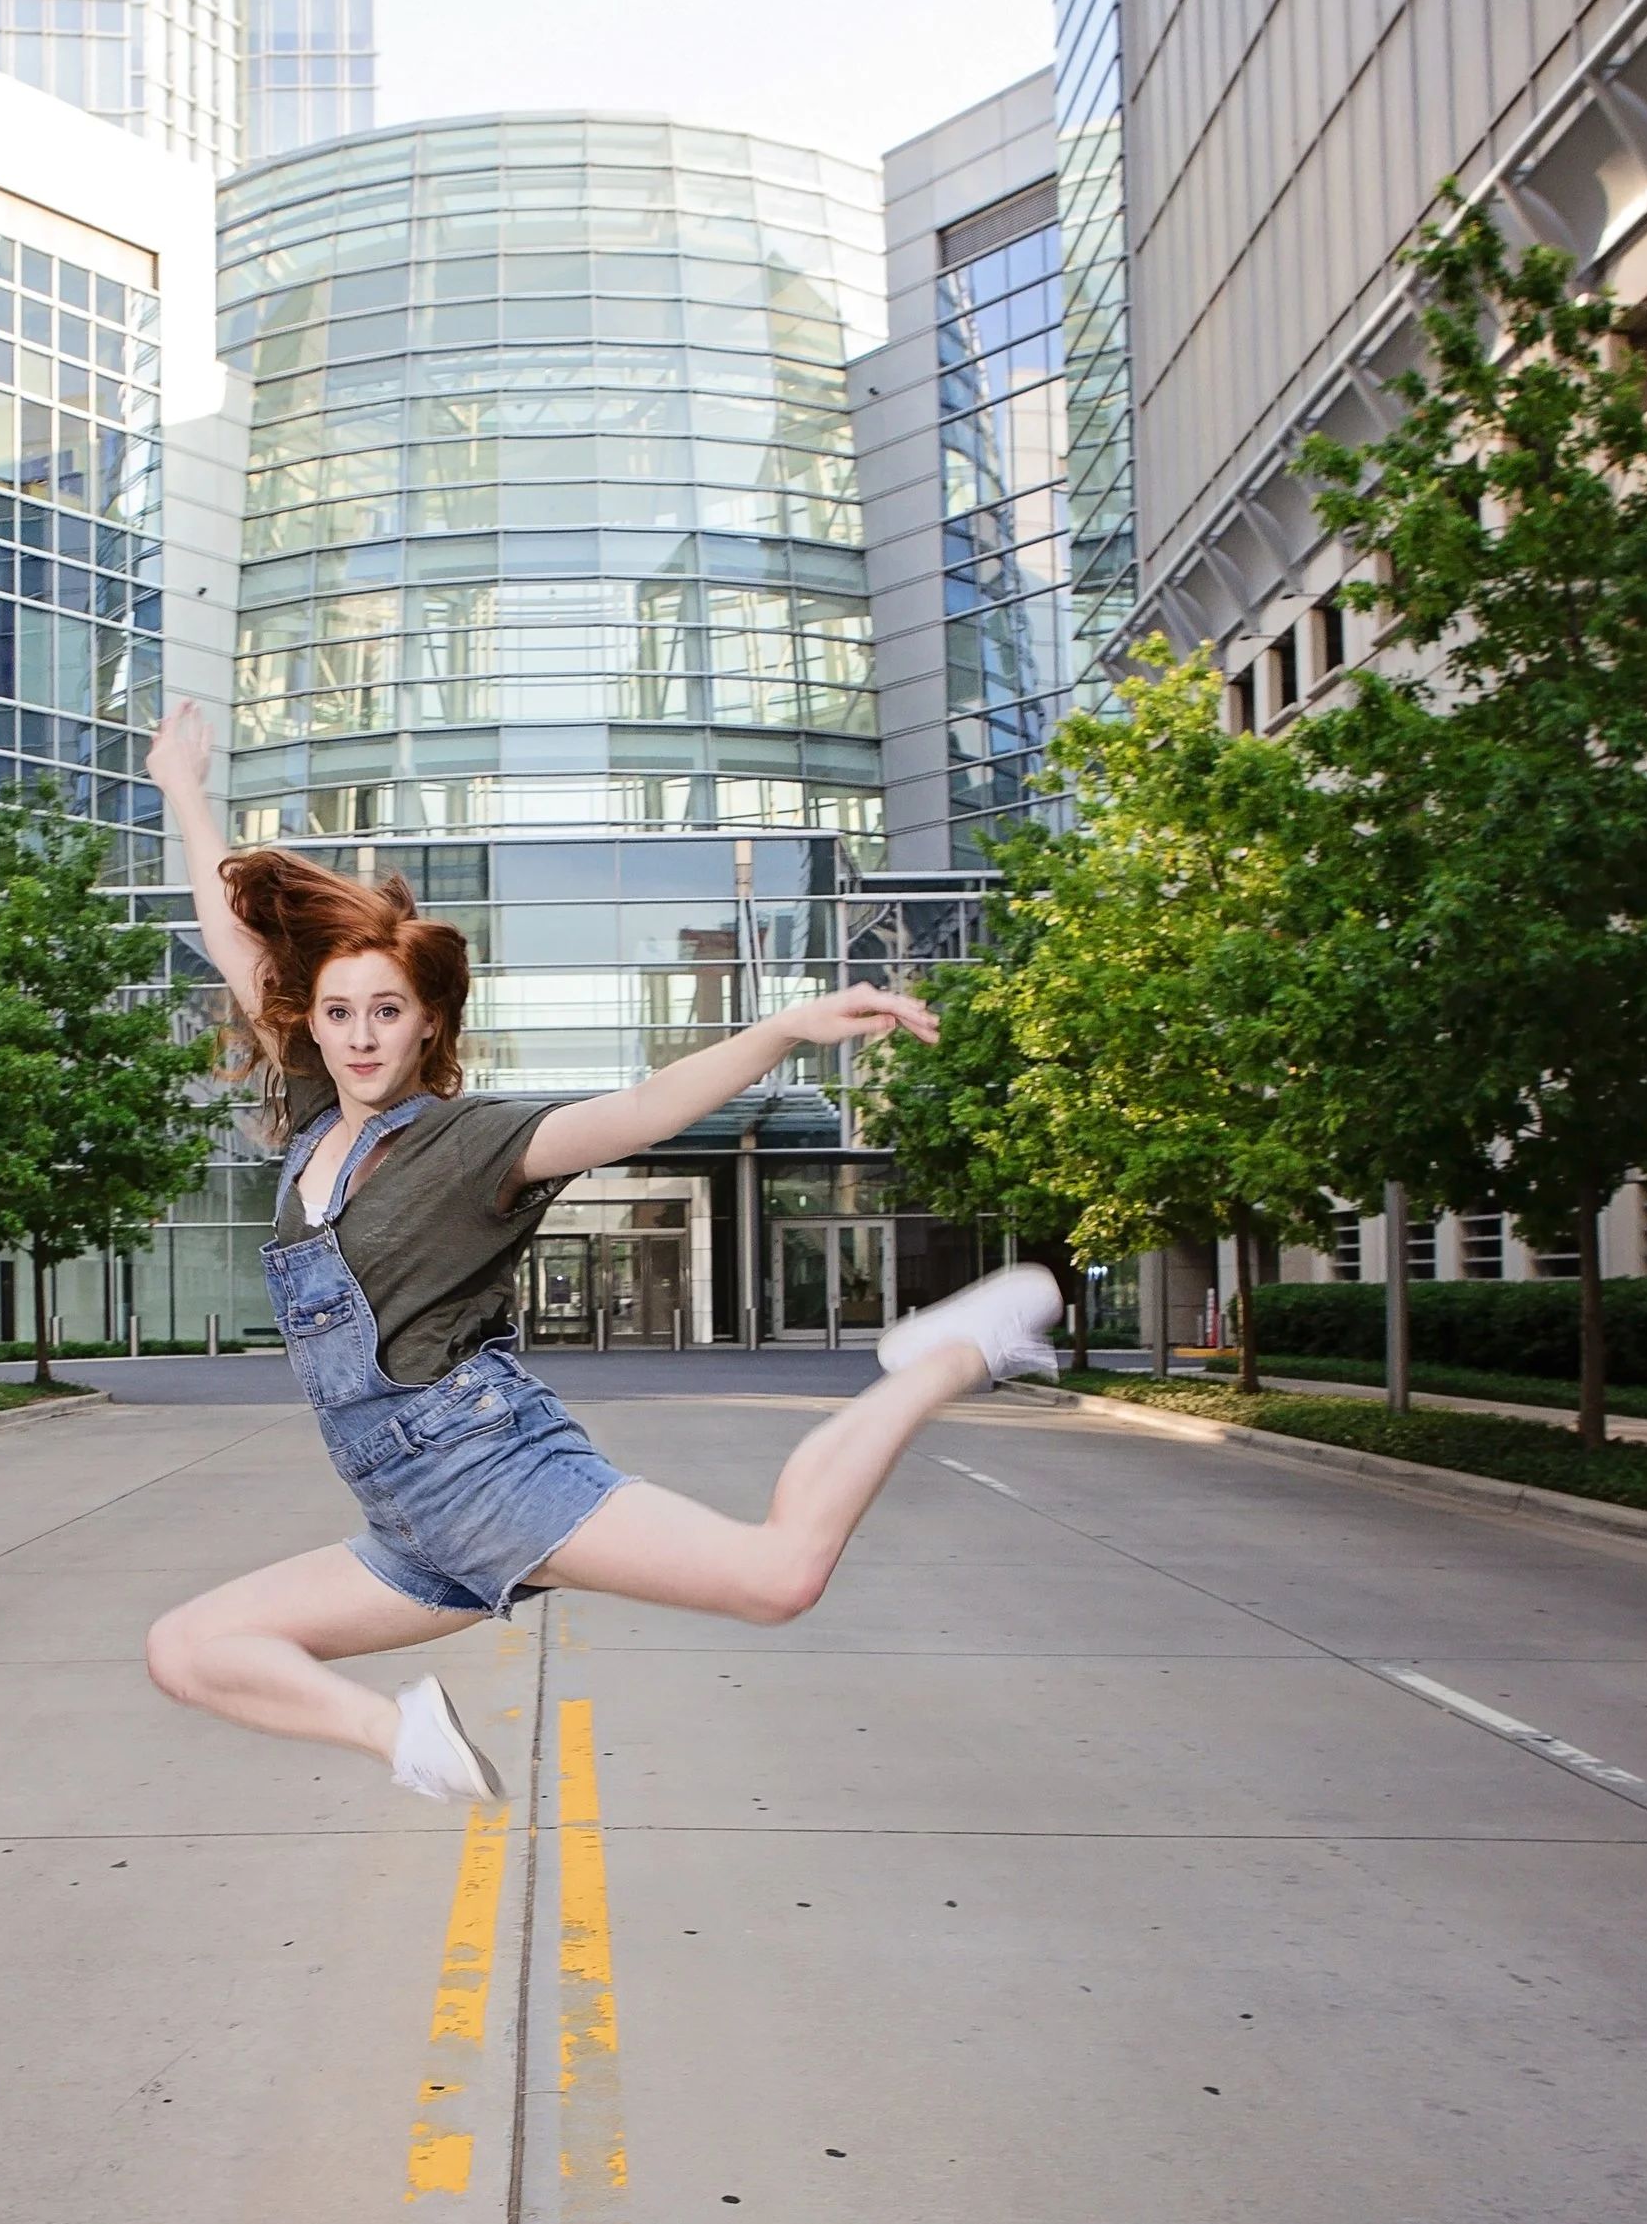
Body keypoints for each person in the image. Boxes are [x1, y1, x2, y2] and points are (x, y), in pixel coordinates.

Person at [141, 701, 1062, 1804]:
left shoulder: (469, 1140)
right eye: (340, 1012)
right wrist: (180, 787)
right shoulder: (309, 1113)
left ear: (429, 1021)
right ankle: (404, 1740)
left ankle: (947, 1355)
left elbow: (635, 1110)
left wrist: (778, 1031)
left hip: (493, 1474)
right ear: (317, 1023)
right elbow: (232, 936)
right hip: (409, 1522)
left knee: (778, 1576)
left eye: (388, 1009)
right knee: (189, 1647)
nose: (361, 1034)